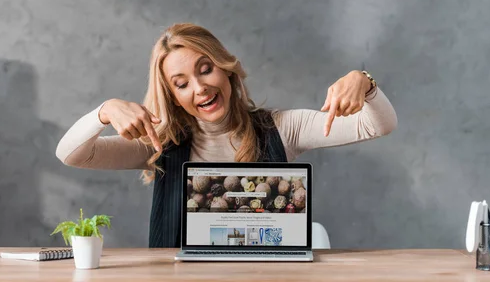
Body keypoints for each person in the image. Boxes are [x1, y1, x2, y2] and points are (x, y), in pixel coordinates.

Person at [56, 23, 398, 247]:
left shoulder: (282, 128)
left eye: (206, 69)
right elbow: (71, 154)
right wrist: (104, 110)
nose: (200, 87)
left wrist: (364, 82)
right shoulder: (160, 145)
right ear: (174, 97)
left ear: (227, 69)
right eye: (182, 83)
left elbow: (376, 124)